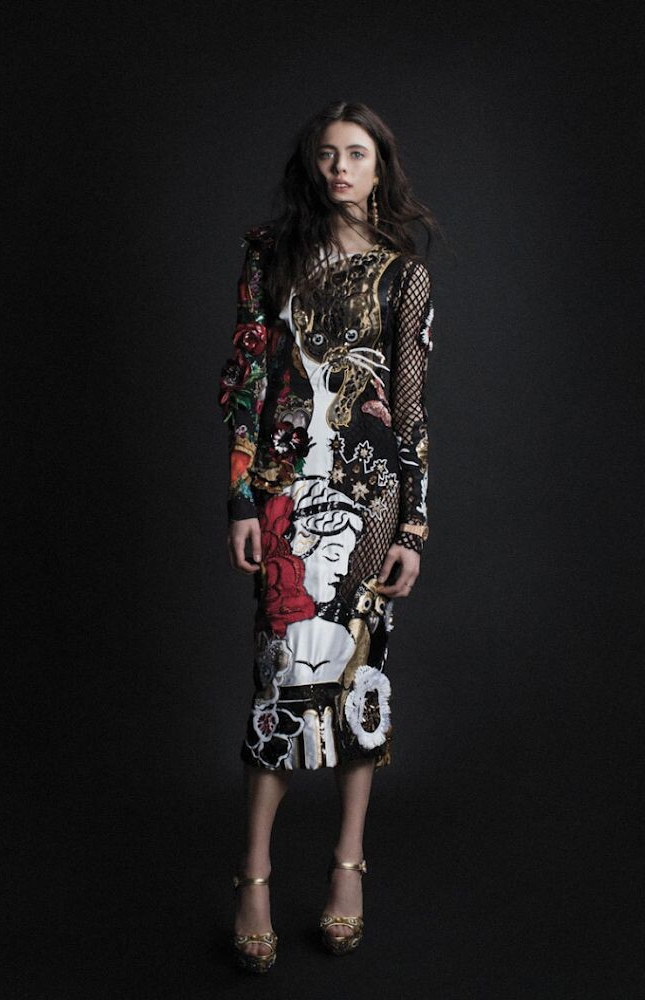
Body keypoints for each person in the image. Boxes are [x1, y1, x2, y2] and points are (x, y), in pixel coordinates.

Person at [218, 100, 438, 972]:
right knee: (280, 677)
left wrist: (412, 522)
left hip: (371, 494)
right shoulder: (269, 252)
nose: (339, 167)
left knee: (361, 677)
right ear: (311, 166)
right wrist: (240, 500)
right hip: (284, 491)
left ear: (380, 168)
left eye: (355, 153)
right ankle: (254, 878)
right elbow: (244, 379)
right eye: (326, 154)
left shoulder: (402, 275)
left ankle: (347, 866)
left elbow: (411, 412)